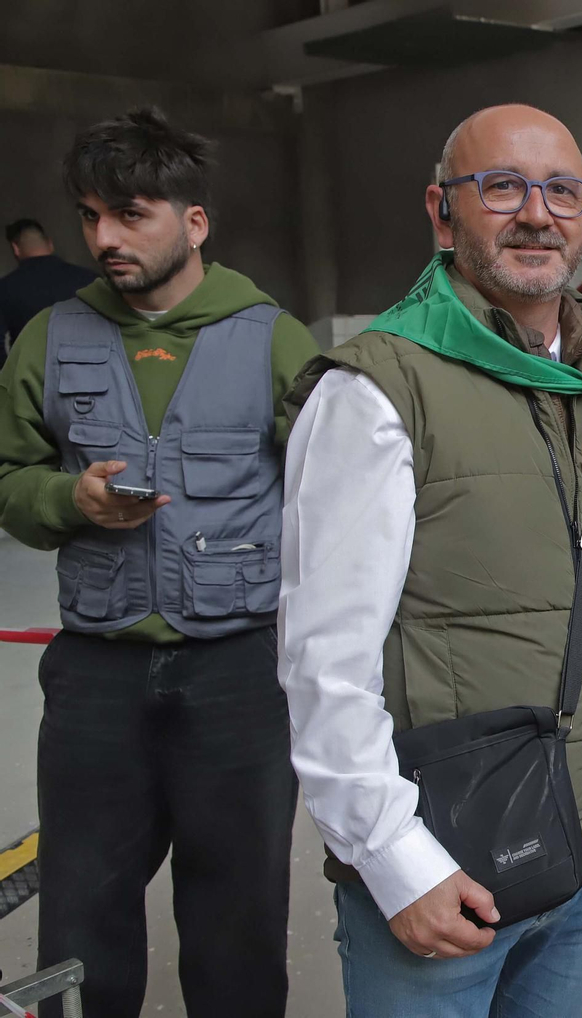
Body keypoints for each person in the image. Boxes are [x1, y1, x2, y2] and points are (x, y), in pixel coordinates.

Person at [277, 104, 582, 1017]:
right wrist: (393, 860)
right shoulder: (376, 387)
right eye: (502, 188)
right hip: (447, 857)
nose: (537, 213)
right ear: (442, 213)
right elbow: (323, 659)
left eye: (561, 191)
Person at [0, 107, 316, 1018]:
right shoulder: (50, 339)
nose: (104, 238)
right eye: (91, 215)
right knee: (79, 917)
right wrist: (70, 501)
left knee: (240, 919)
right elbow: (7, 477)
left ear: (193, 220)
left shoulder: (273, 338)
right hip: (97, 672)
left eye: (130, 214)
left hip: (238, 674)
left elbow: (338, 490)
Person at [0, 219, 97, 363]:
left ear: (15, 248)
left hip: (34, 376)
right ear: (50, 244)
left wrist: (10, 380)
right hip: (91, 372)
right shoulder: (91, 279)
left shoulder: (5, 287)